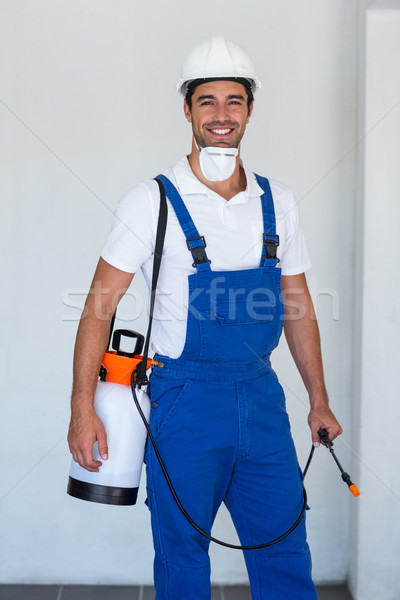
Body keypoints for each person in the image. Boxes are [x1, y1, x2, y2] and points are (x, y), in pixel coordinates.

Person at [68, 36, 342, 600]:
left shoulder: (278, 201)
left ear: (249, 110)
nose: (221, 115)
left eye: (234, 101)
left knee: (286, 548)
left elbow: (298, 304)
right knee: (182, 553)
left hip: (263, 401)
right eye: (208, 101)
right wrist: (81, 408)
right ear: (188, 109)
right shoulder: (153, 202)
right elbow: (99, 305)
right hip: (184, 400)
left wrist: (318, 398)